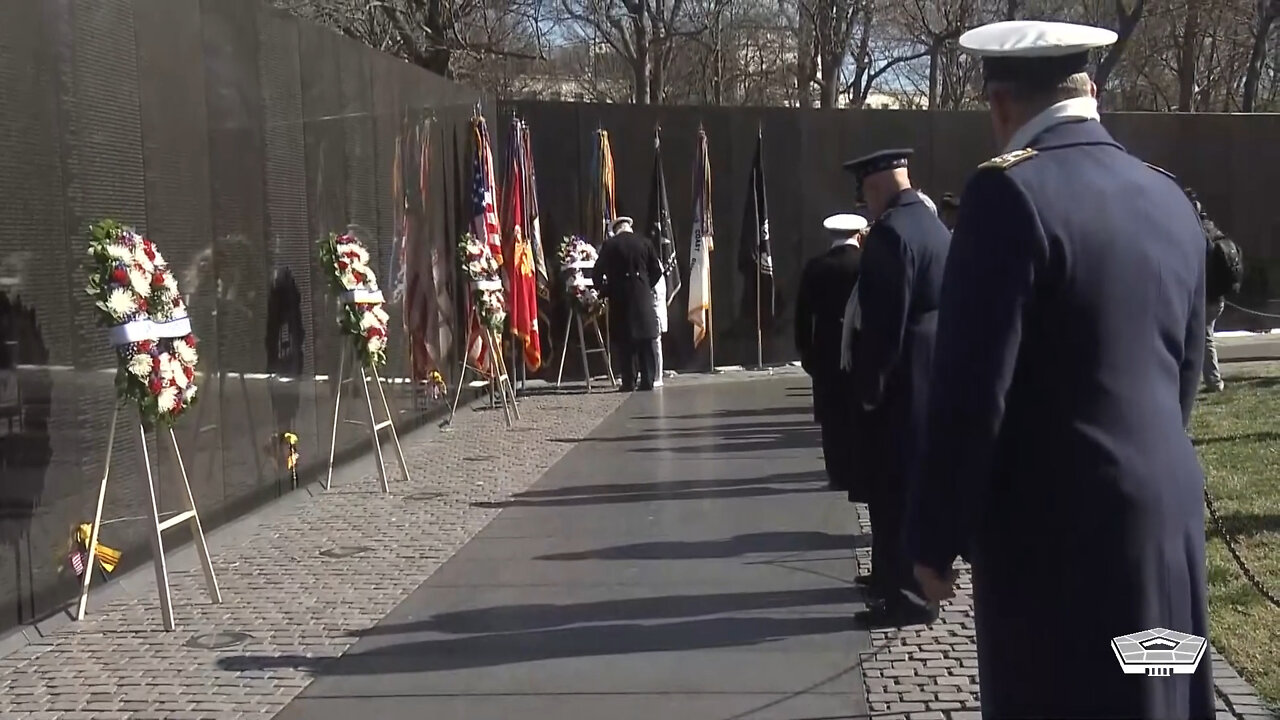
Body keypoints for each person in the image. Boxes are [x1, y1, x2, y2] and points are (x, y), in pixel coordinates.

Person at [905, 20, 1214, 720]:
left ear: (1001, 104)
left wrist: (935, 538)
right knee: (1159, 695)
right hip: (1165, 512)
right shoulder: (1167, 194)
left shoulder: (1008, 194)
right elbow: (1185, 369)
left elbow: (972, 390)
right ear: (1091, 91)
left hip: (1061, 534)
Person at [843, 148, 951, 625]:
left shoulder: (890, 234)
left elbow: (885, 323)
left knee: (892, 493)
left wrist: (870, 388)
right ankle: (893, 578)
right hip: (931, 376)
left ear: (874, 188)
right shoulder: (933, 227)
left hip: (901, 383)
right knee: (911, 488)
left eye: (865, 194)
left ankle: (903, 596)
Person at [795, 213, 869, 492]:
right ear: (858, 234)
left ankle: (837, 474)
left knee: (831, 416)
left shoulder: (815, 267)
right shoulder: (866, 264)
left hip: (825, 348)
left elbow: (803, 316)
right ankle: (859, 470)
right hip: (859, 346)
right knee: (857, 410)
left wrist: (806, 352)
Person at [594, 216, 663, 392]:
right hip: (642, 295)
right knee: (646, 340)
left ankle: (628, 381)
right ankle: (647, 379)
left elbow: (597, 272)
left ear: (616, 229)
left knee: (625, 341)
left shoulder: (610, 245)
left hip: (620, 296)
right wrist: (646, 285)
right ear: (629, 227)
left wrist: (604, 290)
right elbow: (656, 269)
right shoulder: (645, 242)